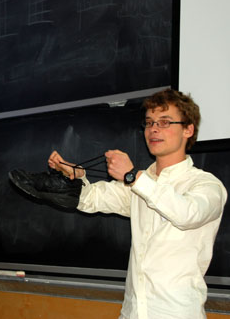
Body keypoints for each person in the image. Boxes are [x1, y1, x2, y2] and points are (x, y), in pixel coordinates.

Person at [47, 89, 227, 319]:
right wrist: (75, 177)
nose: (153, 129)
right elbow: (93, 198)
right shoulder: (142, 182)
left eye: (165, 122)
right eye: (150, 122)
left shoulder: (207, 185)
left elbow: (186, 214)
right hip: (132, 312)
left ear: (188, 129)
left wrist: (132, 177)